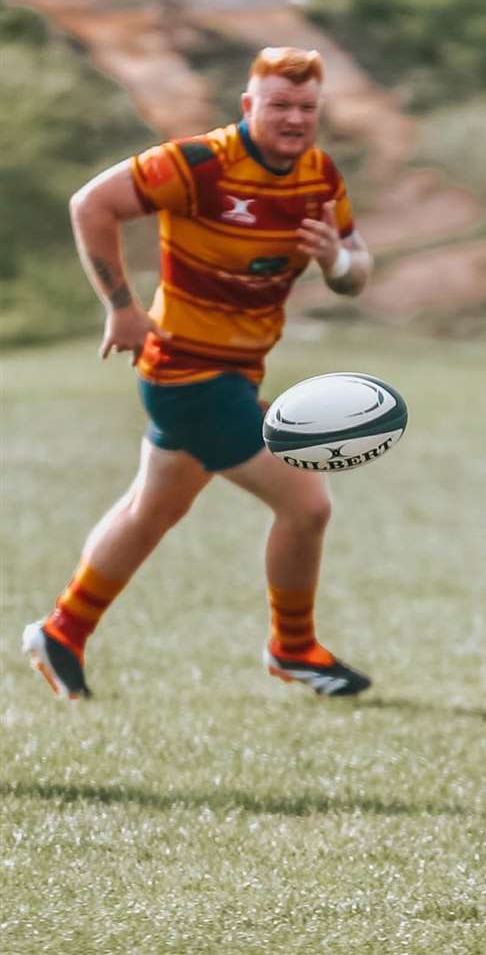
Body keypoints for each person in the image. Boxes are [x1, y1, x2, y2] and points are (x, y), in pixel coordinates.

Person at [22, 47, 377, 701]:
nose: (294, 119)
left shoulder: (319, 176)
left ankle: (63, 631)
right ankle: (292, 647)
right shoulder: (201, 164)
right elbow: (90, 205)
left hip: (238, 372)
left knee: (151, 509)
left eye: (306, 107)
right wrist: (122, 308)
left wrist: (336, 262)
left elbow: (356, 268)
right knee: (306, 504)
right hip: (185, 374)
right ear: (249, 107)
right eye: (280, 105)